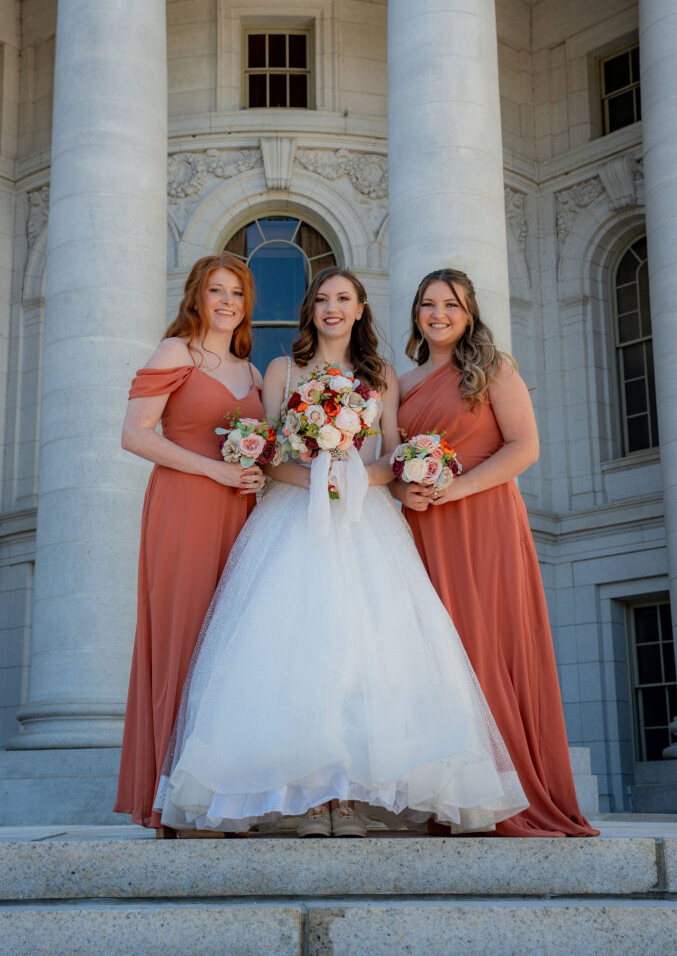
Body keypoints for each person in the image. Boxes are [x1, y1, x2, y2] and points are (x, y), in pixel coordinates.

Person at [155, 267, 528, 838]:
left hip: (364, 522)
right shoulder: (282, 370)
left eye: (344, 299)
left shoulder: (381, 377)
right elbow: (272, 453)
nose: (333, 308)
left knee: (366, 654)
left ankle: (350, 798)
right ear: (310, 310)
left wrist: (357, 480)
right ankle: (306, 801)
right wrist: (316, 481)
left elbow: (394, 455)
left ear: (360, 311)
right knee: (295, 651)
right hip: (292, 520)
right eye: (323, 299)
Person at [395, 268, 597, 838]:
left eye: (451, 305)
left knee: (484, 644)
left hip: (483, 521)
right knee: (437, 654)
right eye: (429, 304)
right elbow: (389, 457)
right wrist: (401, 487)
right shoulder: (404, 383)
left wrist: (453, 489)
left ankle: (509, 793)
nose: (439, 315)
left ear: (469, 313)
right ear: (415, 313)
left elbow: (525, 447)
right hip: (422, 529)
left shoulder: (493, 369)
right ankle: (454, 794)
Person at [114, 253, 265, 835]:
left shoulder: (251, 373)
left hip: (240, 515)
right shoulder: (175, 352)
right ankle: (173, 797)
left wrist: (251, 472)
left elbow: (257, 447)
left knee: (231, 645)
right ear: (196, 298)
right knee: (183, 634)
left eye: (237, 293)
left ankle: (223, 792)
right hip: (183, 507)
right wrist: (216, 472)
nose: (226, 302)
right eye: (216, 291)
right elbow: (134, 435)